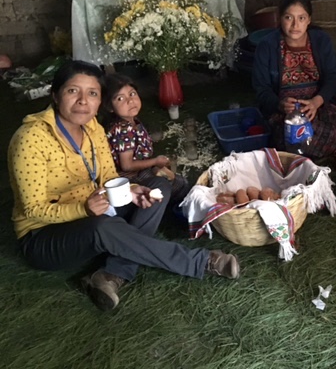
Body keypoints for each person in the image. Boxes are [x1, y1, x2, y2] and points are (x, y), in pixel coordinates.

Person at [8, 61, 240, 312]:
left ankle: (111, 274)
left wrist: (131, 190)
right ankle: (201, 262)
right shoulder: (31, 139)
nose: (83, 101)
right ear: (55, 95)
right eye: (73, 91)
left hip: (95, 209)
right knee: (103, 227)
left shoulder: (93, 129)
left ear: (99, 101)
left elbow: (109, 175)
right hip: (44, 235)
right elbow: (32, 209)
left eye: (92, 93)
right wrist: (83, 210)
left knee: (158, 186)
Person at [252, 0, 336, 159]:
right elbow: (261, 88)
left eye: (301, 18)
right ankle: (308, 151)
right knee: (290, 136)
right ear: (280, 19)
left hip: (317, 106)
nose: (295, 25)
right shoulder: (267, 46)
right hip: (285, 112)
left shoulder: (321, 41)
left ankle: (303, 152)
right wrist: (280, 104)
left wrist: (317, 101)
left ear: (309, 20)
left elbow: (332, 77)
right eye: (288, 17)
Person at [102, 73, 190, 212]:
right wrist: (155, 162)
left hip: (140, 170)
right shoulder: (123, 130)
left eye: (132, 94)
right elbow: (127, 165)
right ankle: (165, 209)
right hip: (131, 179)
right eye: (120, 98)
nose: (130, 101)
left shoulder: (131, 121)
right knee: (180, 184)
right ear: (110, 107)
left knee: (174, 179)